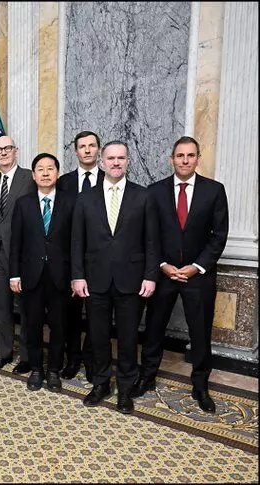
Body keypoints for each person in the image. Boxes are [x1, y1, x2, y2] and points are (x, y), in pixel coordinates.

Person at [132, 136, 228, 413]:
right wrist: (162, 264)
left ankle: (200, 385)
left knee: (200, 332)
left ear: (198, 159)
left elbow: (219, 235)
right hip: (163, 274)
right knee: (153, 329)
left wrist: (197, 267)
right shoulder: (154, 191)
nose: (185, 160)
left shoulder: (214, 191)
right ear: (171, 159)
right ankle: (147, 376)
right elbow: (148, 234)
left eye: (190, 155)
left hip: (198, 277)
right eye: (180, 156)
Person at [71, 141, 158, 414]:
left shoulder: (143, 196)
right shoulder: (85, 198)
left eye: (121, 158)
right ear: (101, 162)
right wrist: (77, 276)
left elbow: (152, 241)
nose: (116, 162)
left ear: (128, 161)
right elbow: (77, 241)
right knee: (98, 336)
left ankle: (125, 389)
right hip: (95, 280)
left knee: (128, 338)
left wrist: (150, 276)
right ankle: (101, 384)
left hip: (131, 280)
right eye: (111, 158)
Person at [10, 153, 75, 392]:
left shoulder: (70, 202)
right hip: (31, 276)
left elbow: (76, 242)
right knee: (33, 325)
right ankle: (37, 369)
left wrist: (76, 276)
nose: (46, 173)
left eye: (50, 168)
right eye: (41, 169)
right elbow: (16, 242)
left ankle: (54, 370)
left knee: (59, 326)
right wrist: (14, 274)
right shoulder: (23, 203)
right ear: (34, 175)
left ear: (57, 173)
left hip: (61, 276)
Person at [56, 130, 106, 382]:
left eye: (91, 145)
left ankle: (92, 360)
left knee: (98, 316)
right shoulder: (63, 182)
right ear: (75, 151)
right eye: (82, 146)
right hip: (69, 261)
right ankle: (73, 359)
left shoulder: (110, 179)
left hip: (101, 262)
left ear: (99, 150)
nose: (87, 150)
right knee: (71, 315)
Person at [0, 136, 35, 373]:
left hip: (24, 255)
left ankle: (27, 356)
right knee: (1, 307)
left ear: (16, 151)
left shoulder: (29, 178)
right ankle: (3, 353)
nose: (3, 152)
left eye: (8, 148)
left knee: (26, 309)